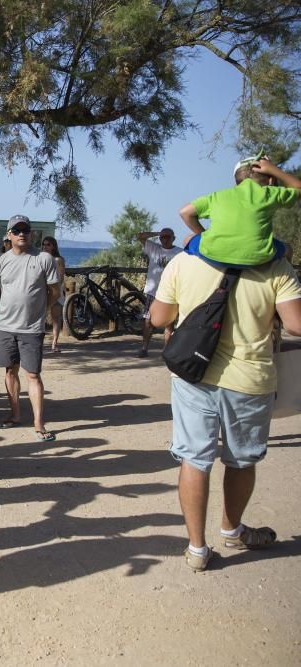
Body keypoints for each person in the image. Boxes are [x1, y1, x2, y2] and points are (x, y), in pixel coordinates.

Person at [148, 247, 301, 571]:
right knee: (241, 460)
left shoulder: (185, 259)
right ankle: (232, 529)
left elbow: (159, 318)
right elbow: (296, 324)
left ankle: (197, 549)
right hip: (249, 379)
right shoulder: (276, 264)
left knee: (195, 458)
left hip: (192, 374)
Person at [0, 215, 61, 441]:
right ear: (9, 235)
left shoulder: (44, 259)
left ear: (31, 234)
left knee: (33, 374)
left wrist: (41, 310)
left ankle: (39, 423)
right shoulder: (1, 260)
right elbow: (0, 290)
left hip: (31, 328)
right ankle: (15, 414)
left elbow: (54, 291)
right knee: (10, 371)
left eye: (26, 230)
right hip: (5, 326)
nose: (22, 234)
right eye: (17, 230)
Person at [179, 155, 299, 267]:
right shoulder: (269, 193)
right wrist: (273, 169)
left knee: (187, 239)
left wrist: (203, 234)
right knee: (288, 249)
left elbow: (185, 212)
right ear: (271, 181)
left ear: (236, 182)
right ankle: (286, 275)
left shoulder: (218, 195)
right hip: (258, 258)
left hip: (214, 255)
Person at [135, 228, 182, 357]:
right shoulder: (153, 248)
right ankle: (144, 348)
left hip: (170, 293)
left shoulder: (180, 253)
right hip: (153, 291)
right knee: (148, 321)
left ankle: (166, 351)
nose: (165, 239)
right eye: (163, 237)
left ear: (174, 238)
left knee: (169, 323)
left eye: (168, 237)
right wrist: (157, 234)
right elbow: (139, 235)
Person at [40, 236, 66, 353]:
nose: (45, 247)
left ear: (53, 246)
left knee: (56, 318)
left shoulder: (58, 260)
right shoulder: (40, 258)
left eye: (48, 244)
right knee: (41, 318)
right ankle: (39, 342)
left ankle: (54, 343)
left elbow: (60, 277)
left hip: (55, 291)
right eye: (44, 244)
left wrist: (54, 289)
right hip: (42, 291)